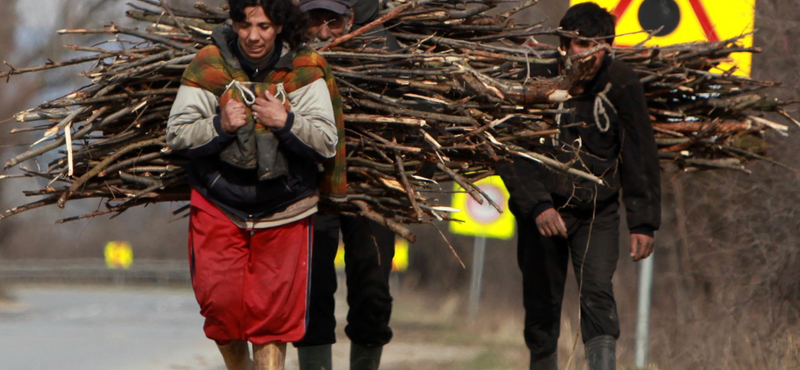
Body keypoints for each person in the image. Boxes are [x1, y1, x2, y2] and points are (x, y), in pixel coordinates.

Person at [166, 0, 345, 368]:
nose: (253, 36)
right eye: (244, 25)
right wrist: (220, 125)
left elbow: (327, 141)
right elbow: (178, 133)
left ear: (279, 25)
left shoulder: (305, 67)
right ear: (233, 23)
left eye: (263, 26)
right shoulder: (209, 63)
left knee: (274, 317)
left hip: (286, 207)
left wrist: (287, 121)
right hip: (220, 203)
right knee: (219, 306)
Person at [497, 3, 661, 370]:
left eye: (585, 43)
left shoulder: (622, 84)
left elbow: (639, 154)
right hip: (542, 211)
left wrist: (643, 222)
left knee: (598, 295)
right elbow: (511, 150)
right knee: (541, 301)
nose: (576, 51)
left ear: (605, 47)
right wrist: (538, 205)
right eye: (570, 42)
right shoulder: (536, 80)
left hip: (596, 212)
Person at [292, 1, 400, 370]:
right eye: (314, 22)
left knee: (373, 296)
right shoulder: (286, 60)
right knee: (311, 293)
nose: (323, 33)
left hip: (372, 186)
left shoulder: (384, 50)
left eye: (333, 22)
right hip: (310, 188)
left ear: (351, 19)